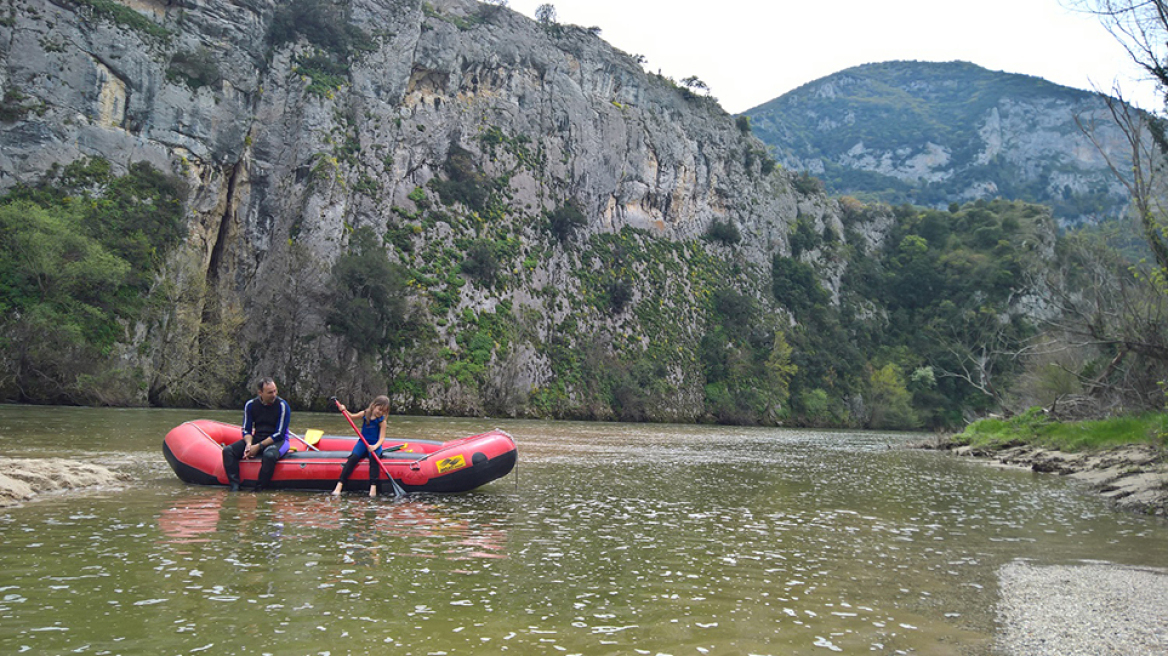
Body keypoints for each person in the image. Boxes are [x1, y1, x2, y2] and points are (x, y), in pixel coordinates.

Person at [222, 378, 291, 492]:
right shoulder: (251, 405)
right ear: (260, 393)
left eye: (275, 391)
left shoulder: (282, 406)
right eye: (270, 392)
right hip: (258, 437)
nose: (274, 395)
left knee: (269, 456)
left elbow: (279, 434)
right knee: (228, 451)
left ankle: (259, 489)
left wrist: (258, 447)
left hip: (279, 440)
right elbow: (246, 429)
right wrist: (249, 445)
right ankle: (235, 487)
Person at [331, 395, 391, 497]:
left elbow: (382, 439)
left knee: (374, 460)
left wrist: (375, 447)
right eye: (379, 409)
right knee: (353, 458)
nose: (380, 413)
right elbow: (351, 417)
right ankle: (339, 485)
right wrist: (344, 410)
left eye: (383, 411)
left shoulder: (382, 421)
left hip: (374, 444)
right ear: (374, 405)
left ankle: (373, 487)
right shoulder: (365, 413)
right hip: (362, 443)